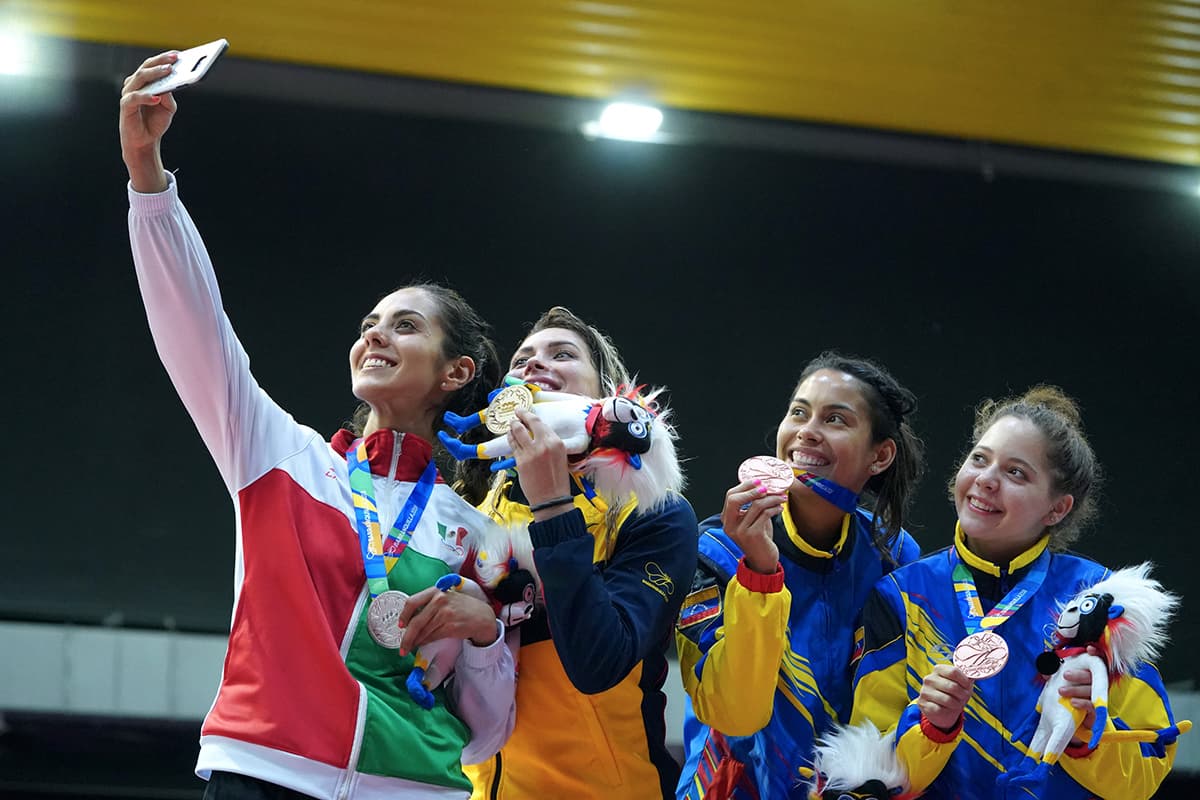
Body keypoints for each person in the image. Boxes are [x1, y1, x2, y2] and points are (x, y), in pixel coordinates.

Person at [120, 51, 515, 800]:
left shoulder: (478, 536)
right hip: (262, 769)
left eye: (404, 326)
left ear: (455, 372)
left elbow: (488, 733)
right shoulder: (278, 454)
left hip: (414, 788)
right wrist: (149, 181)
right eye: (369, 324)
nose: (374, 336)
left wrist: (486, 633)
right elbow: (195, 330)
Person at [850, 386, 1183, 799]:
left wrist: (1084, 734)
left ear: (1057, 508)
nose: (986, 480)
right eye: (980, 459)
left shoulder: (1101, 601)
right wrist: (930, 727)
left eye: (1016, 473)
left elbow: (1146, 769)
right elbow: (866, 769)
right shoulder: (901, 596)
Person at [456, 307, 700, 799]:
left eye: (562, 354)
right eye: (522, 359)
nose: (533, 365)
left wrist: (552, 506)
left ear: (606, 394)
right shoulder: (469, 516)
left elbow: (597, 664)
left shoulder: (654, 512)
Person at [674, 353, 925, 800]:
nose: (807, 430)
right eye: (799, 412)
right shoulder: (713, 551)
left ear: (880, 455)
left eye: (835, 419)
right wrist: (759, 574)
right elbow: (735, 713)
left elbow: (892, 708)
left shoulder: (896, 556)